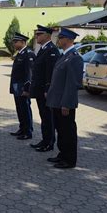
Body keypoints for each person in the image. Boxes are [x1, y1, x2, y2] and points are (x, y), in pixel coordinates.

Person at [46, 28, 83, 169]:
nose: (59, 40)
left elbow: (72, 84)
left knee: (68, 132)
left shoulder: (75, 58)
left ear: (68, 39)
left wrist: (67, 104)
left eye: (61, 37)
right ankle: (62, 154)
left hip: (64, 103)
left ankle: (70, 160)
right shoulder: (64, 56)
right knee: (60, 130)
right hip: (57, 101)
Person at [30, 25, 60, 152]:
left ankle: (49, 142)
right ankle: (45, 140)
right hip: (39, 90)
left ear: (47, 36)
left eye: (39, 34)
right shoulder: (43, 49)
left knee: (48, 117)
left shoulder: (52, 50)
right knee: (44, 117)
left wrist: (47, 90)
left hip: (45, 91)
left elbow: (50, 73)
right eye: (37, 34)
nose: (37, 36)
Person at [9, 32, 35, 140]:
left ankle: (28, 131)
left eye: (16, 42)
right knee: (19, 108)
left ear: (23, 42)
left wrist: (27, 89)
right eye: (14, 42)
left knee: (25, 108)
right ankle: (22, 128)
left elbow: (29, 73)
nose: (14, 44)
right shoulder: (20, 53)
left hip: (23, 87)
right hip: (17, 86)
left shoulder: (28, 53)